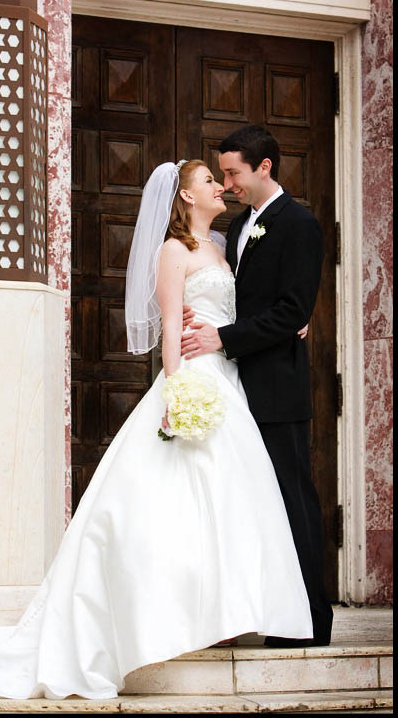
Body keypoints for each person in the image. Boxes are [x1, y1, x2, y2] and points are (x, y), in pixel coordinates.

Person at [0, 159, 313, 700]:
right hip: (195, 379)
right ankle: (158, 617)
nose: (221, 187)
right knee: (172, 501)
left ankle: (223, 613)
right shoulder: (174, 252)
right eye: (210, 181)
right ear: (186, 197)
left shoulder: (226, 241)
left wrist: (294, 319)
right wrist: (176, 389)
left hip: (232, 383)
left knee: (233, 501)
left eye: (223, 178)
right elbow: (171, 324)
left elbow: (253, 304)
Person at [180, 126, 334, 647]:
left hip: (276, 388)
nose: (226, 184)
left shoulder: (300, 224)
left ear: (264, 167)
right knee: (255, 505)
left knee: (293, 500)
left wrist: (224, 337)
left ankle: (311, 623)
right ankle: (268, 612)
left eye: (233, 173)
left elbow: (294, 309)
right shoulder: (239, 226)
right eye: (221, 174)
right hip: (232, 387)